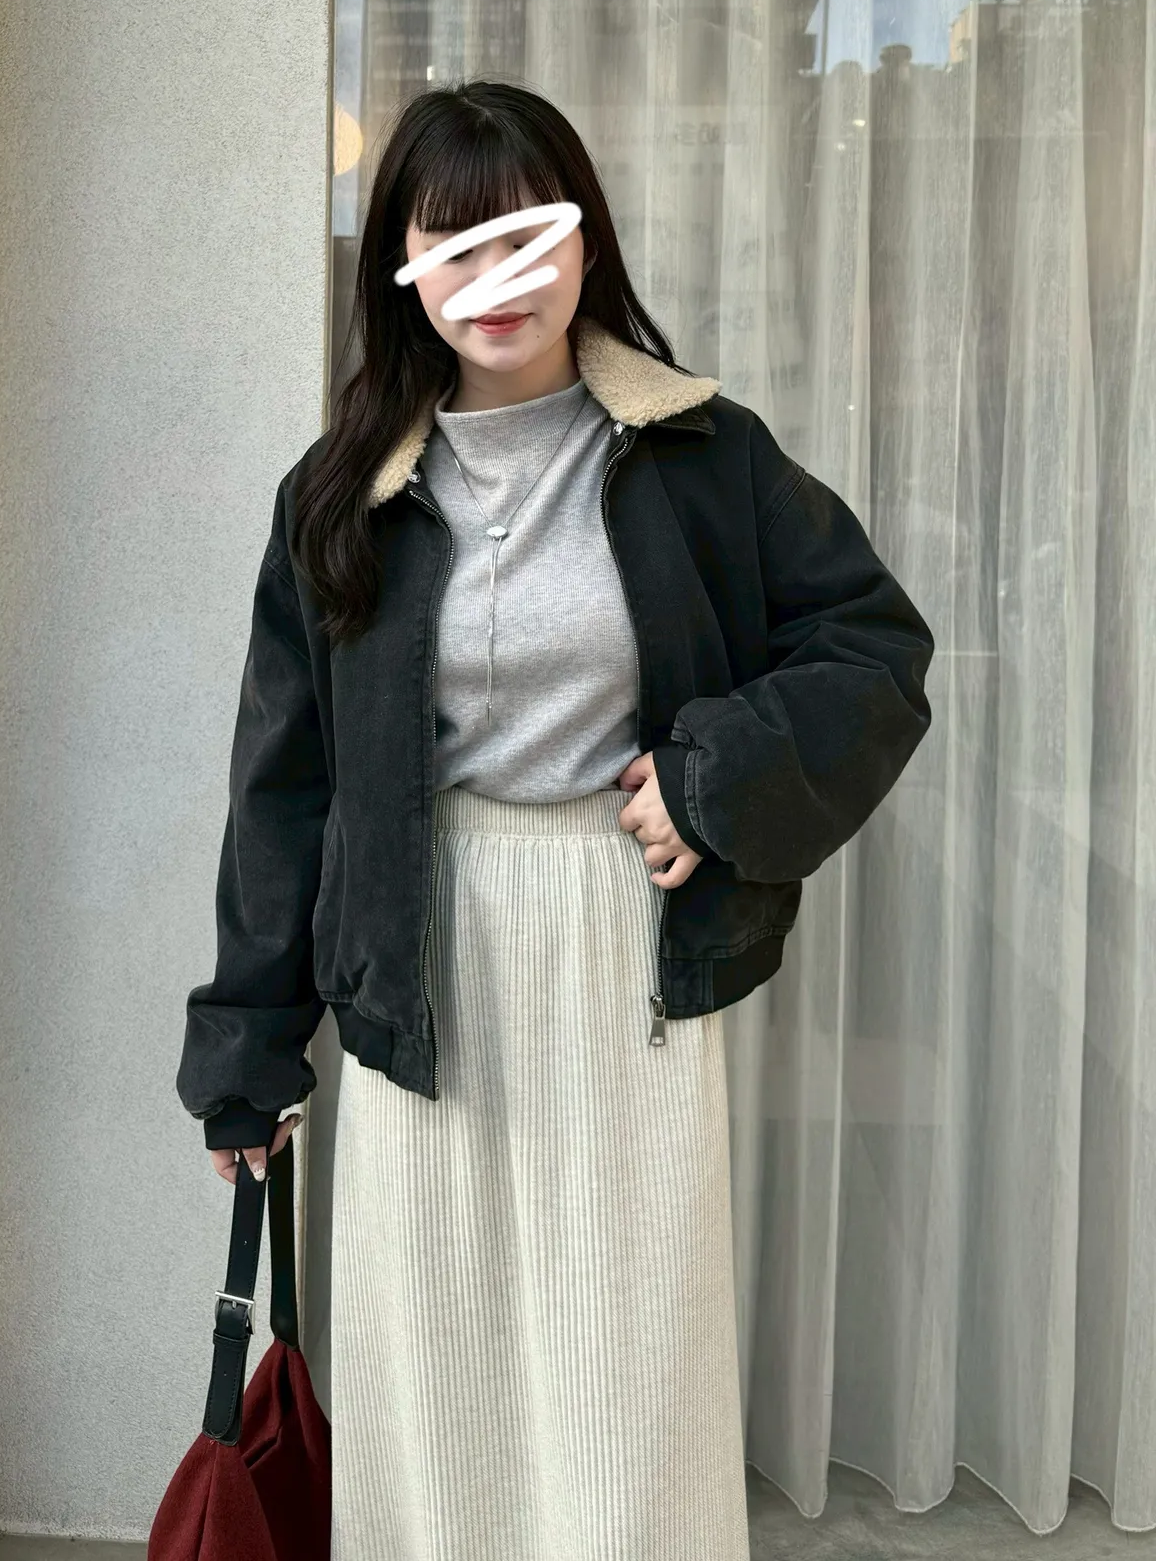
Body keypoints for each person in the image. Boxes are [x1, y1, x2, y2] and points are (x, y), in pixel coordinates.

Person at [176, 79, 935, 1559]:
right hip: (413, 956)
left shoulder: (701, 455)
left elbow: (872, 649)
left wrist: (707, 783)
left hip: (617, 945)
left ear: (587, 243)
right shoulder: (340, 494)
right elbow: (285, 785)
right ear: (403, 269)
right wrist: (247, 1055)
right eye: (453, 246)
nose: (497, 279)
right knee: (433, 1361)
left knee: (621, 1362)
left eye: (528, 237)